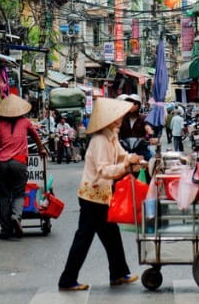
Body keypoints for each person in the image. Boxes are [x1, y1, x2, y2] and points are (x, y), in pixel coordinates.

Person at [57, 97, 142, 291]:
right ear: (110, 119)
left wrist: (134, 159)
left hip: (102, 195)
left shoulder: (111, 137)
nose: (121, 118)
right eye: (117, 116)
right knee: (84, 238)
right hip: (92, 196)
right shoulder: (100, 141)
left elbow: (122, 154)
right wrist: (126, 165)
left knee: (111, 235)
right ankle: (67, 280)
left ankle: (119, 273)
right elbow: (104, 170)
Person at [0, 94, 47, 239]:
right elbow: (36, 136)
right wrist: (41, 149)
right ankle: (16, 217)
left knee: (4, 196)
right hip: (18, 162)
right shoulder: (26, 122)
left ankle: (5, 230)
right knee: (18, 193)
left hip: (2, 162)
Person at [118, 93, 154, 159]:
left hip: (140, 149)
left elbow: (147, 127)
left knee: (152, 160)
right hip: (124, 150)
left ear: (139, 105)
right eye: (129, 103)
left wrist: (150, 135)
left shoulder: (143, 117)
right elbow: (116, 129)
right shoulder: (121, 118)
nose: (132, 106)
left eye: (134, 104)